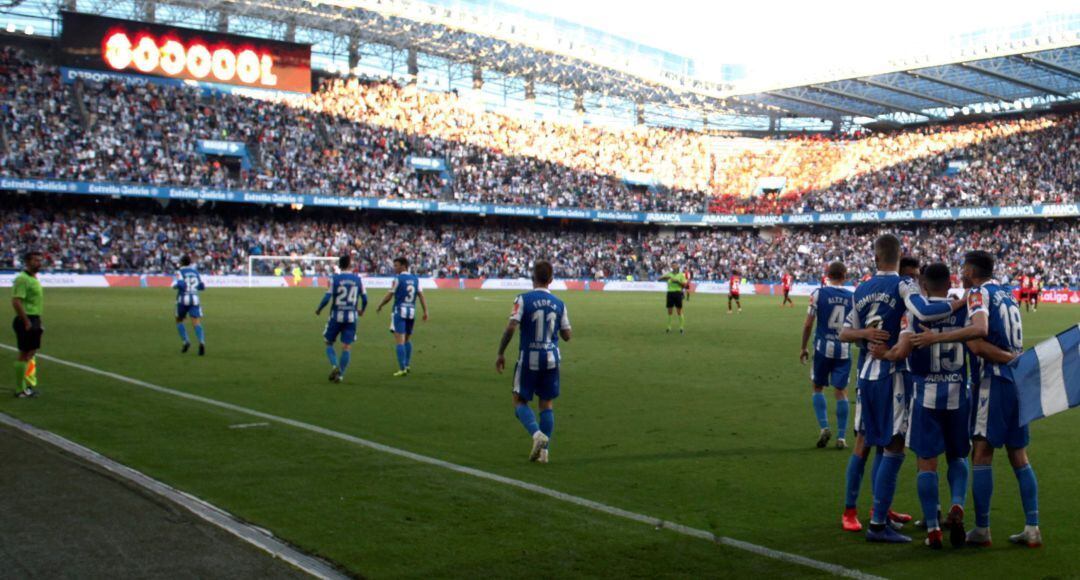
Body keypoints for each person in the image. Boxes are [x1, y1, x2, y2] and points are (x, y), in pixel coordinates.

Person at [837, 234, 963, 542]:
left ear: (876, 257)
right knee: (893, 446)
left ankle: (870, 513)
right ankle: (877, 523)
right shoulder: (903, 285)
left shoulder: (862, 287)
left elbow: (843, 333)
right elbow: (925, 312)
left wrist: (865, 332)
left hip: (866, 373)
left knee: (870, 442)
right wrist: (960, 303)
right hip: (892, 373)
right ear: (898, 256)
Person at [911, 250, 1040, 548]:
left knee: (981, 453)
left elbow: (980, 338)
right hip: (1017, 382)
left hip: (993, 382)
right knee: (1018, 455)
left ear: (971, 270)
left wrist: (936, 338)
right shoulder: (1007, 294)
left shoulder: (979, 293)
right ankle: (1032, 526)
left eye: (964, 268)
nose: (962, 273)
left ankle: (982, 529)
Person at [869, 263, 971, 549]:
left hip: (925, 396)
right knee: (958, 457)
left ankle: (934, 529)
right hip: (958, 394)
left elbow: (900, 352)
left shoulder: (913, 314)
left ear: (923, 286)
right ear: (950, 282)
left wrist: (883, 354)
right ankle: (958, 504)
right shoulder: (962, 310)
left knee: (927, 462)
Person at [495, 260, 571, 463]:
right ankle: (544, 453)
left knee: (519, 400)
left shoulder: (523, 299)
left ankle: (537, 435)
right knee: (546, 404)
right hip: (552, 359)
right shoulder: (559, 303)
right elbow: (567, 335)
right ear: (551, 279)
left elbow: (511, 327)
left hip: (529, 358)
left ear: (532, 278)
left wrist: (501, 352)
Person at [800, 262, 853, 449]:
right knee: (841, 392)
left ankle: (824, 427)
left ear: (827, 275)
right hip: (844, 349)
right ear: (845, 276)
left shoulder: (818, 294)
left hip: (822, 348)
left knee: (817, 387)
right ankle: (841, 438)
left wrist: (803, 347)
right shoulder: (853, 297)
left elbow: (807, 324)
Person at [316, 255, 367, 383]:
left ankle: (334, 366)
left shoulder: (335, 279)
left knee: (328, 342)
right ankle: (341, 375)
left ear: (339, 265)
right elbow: (365, 299)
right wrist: (362, 310)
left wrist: (319, 309)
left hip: (336, 316)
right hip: (351, 317)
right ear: (350, 265)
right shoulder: (358, 280)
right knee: (346, 346)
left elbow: (327, 297)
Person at [376, 257, 428, 377]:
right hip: (411, 312)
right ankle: (407, 365)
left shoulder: (398, 279)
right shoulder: (415, 279)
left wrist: (380, 305)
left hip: (399, 312)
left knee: (400, 341)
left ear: (403, 266)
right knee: (407, 340)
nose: (395, 268)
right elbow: (421, 296)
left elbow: (389, 295)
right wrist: (426, 311)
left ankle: (402, 368)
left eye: (396, 265)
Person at [11, 251, 44, 398]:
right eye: (36, 260)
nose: (39, 263)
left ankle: (26, 386)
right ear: (27, 262)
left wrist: (38, 321)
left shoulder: (34, 278)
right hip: (27, 319)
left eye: (39, 260)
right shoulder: (22, 279)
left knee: (30, 353)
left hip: (34, 318)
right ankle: (20, 389)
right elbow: (16, 301)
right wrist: (26, 321)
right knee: (24, 354)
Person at [173, 255, 206, 356]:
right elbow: (202, 286)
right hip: (194, 299)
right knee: (196, 322)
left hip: (183, 299)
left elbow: (181, 284)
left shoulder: (179, 271)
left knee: (179, 319)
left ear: (182, 263)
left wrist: (175, 286)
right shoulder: (195, 272)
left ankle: (186, 341)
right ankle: (201, 342)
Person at [659, 264, 688, 334]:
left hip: (678, 293)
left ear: (678, 267)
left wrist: (677, 281)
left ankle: (681, 328)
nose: (674, 267)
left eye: (675, 266)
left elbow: (685, 285)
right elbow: (659, 279)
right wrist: (666, 278)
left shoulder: (681, 275)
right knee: (669, 311)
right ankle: (669, 327)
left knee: (679, 311)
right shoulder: (669, 274)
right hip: (670, 293)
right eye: (673, 266)